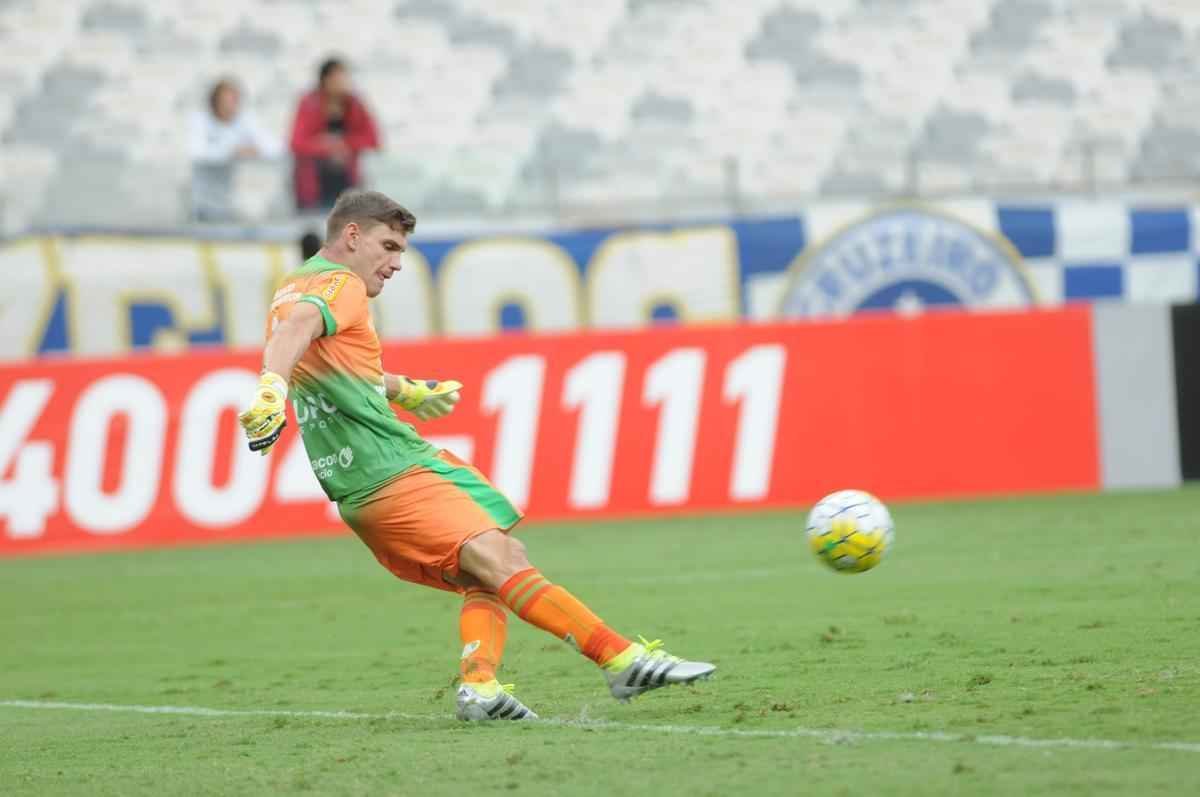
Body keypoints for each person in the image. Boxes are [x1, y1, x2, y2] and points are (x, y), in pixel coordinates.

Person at [238, 190, 715, 721]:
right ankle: (620, 659)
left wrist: (404, 389)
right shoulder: (341, 285)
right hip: (388, 469)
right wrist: (270, 390)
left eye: (402, 250)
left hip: (368, 476)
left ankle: (481, 688)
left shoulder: (292, 286)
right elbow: (298, 332)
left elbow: (320, 355)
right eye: (388, 245)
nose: (397, 262)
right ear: (352, 236)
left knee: (488, 568)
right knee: (502, 558)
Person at [289, 58, 380, 211]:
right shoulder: (308, 104)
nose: (345, 81)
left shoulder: (356, 104)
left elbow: (373, 140)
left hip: (349, 186)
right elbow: (296, 143)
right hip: (313, 188)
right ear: (326, 79)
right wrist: (326, 146)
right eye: (339, 77)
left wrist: (344, 144)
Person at [189, 78, 281, 222]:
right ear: (215, 102)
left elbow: (275, 148)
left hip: (229, 202)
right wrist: (231, 151)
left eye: (234, 101)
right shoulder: (199, 121)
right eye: (226, 101)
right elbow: (198, 153)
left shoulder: (244, 121)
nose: (231, 106)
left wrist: (255, 150)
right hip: (204, 200)